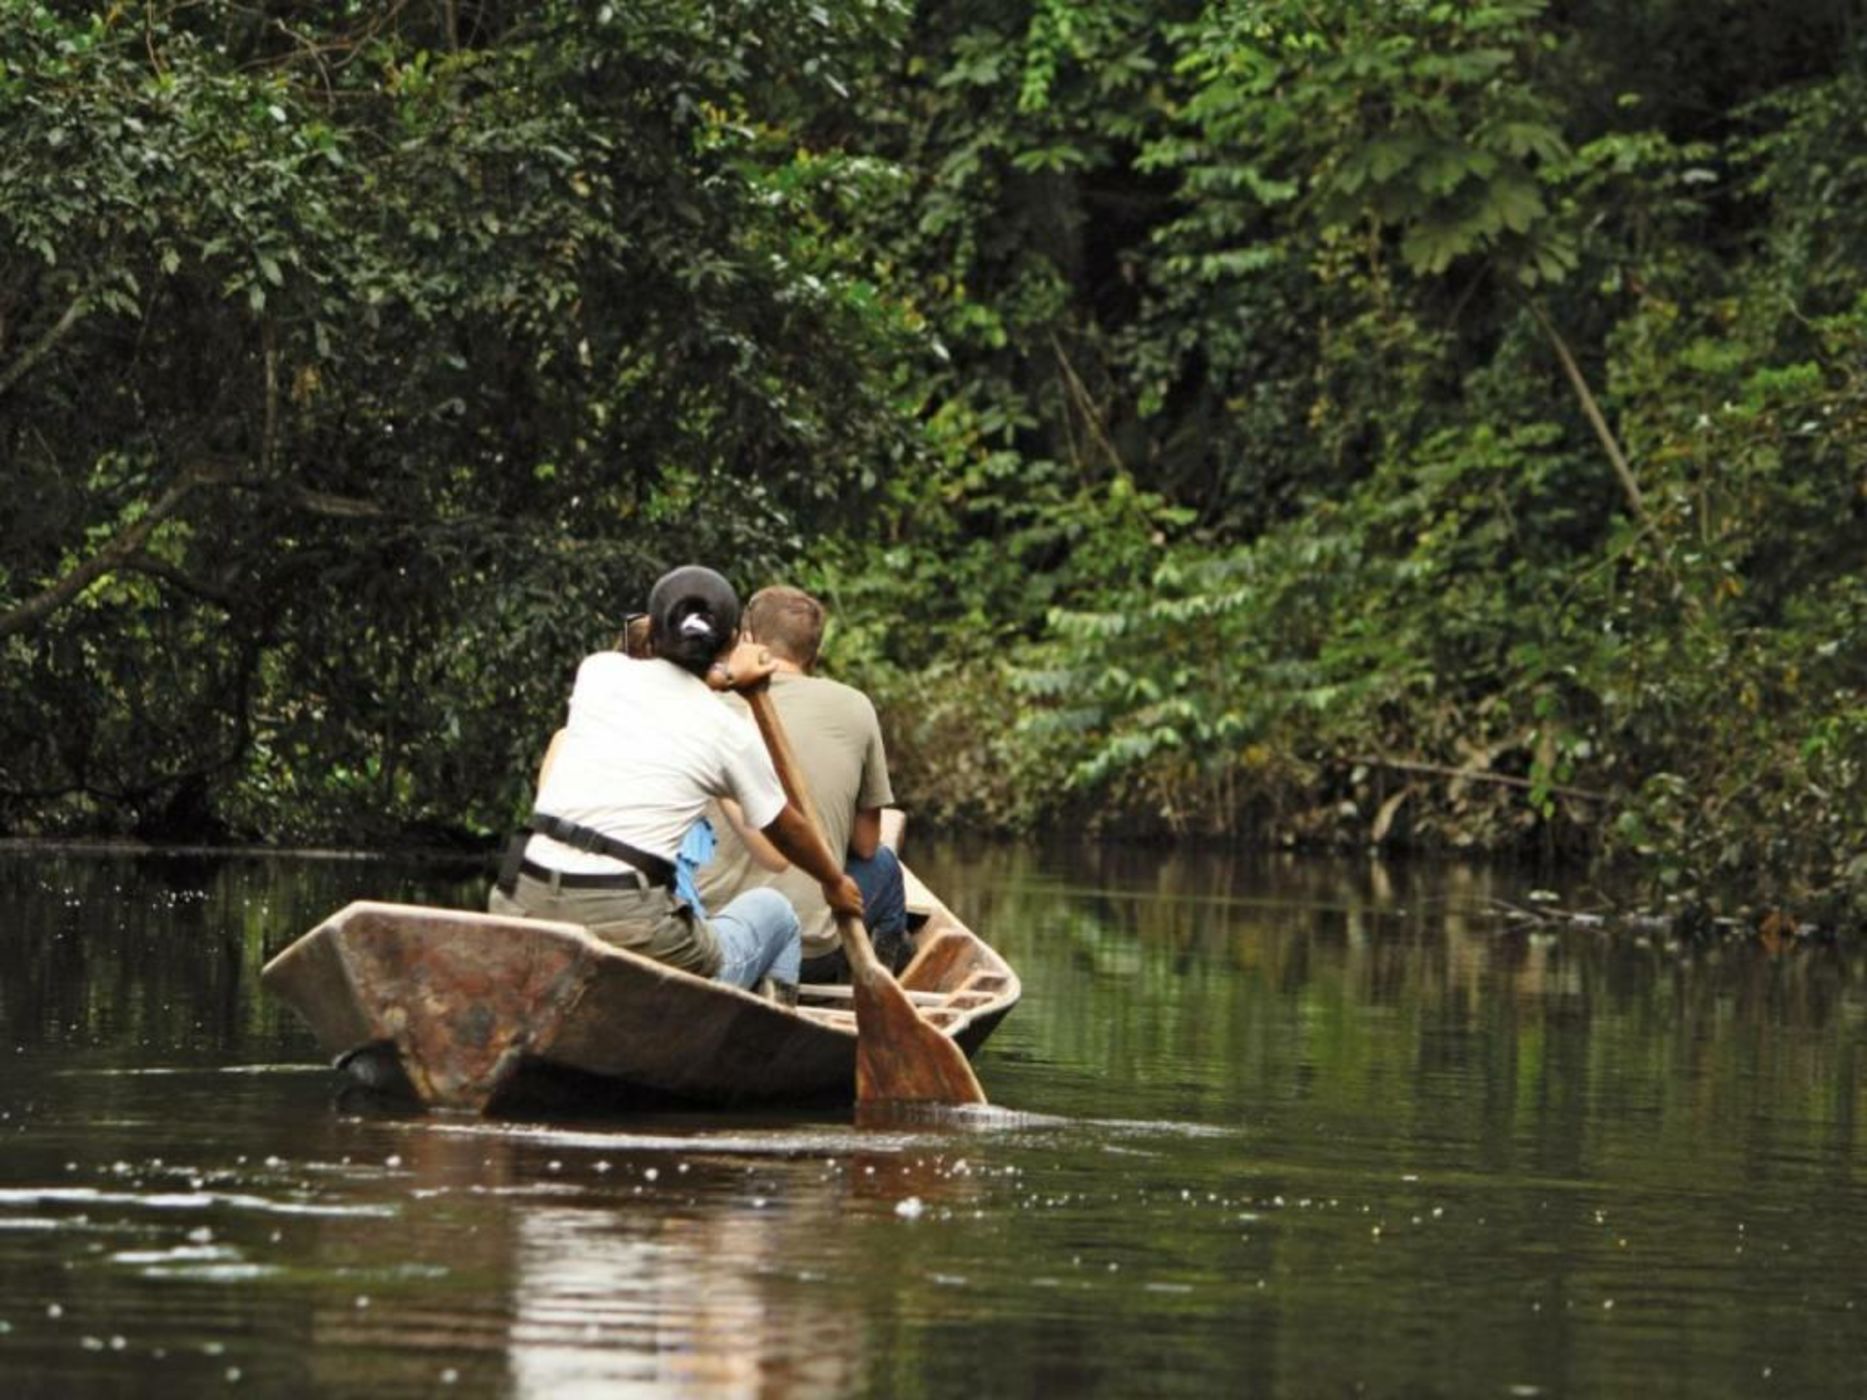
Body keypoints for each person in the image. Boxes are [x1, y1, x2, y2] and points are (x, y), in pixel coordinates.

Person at [490, 567, 862, 1002]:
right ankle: (761, 1044)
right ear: (730, 643)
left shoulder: (598, 672)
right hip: (631, 921)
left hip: (520, 897)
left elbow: (665, 678)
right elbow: (787, 835)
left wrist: (722, 674)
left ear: (654, 632)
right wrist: (834, 881)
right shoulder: (726, 730)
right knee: (777, 914)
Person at [695, 585, 910, 982]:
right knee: (884, 865)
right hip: (815, 951)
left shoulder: (703, 703)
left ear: (746, 640)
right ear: (815, 654)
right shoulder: (855, 705)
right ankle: (877, 983)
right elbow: (864, 844)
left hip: (710, 938)